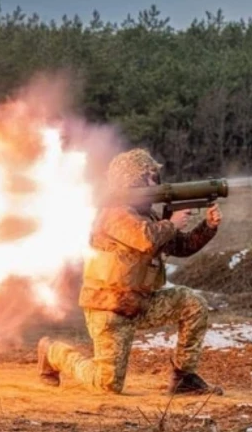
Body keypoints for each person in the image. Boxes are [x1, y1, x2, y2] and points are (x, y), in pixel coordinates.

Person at [36, 148, 223, 395]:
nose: (157, 181)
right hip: (109, 309)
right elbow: (144, 238)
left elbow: (180, 246)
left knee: (193, 303)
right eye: (151, 176)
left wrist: (208, 226)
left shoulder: (146, 215)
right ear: (134, 179)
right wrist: (171, 222)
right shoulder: (114, 213)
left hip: (140, 302)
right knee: (108, 384)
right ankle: (52, 352)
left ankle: (184, 378)